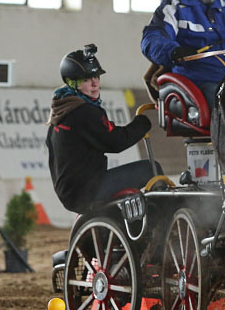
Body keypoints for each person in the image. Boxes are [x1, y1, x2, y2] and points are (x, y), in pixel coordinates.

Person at [46, 44, 161, 214]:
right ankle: (162, 220)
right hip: (87, 192)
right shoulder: (84, 112)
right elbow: (116, 141)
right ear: (72, 83)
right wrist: (142, 122)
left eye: (96, 77)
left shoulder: (60, 110)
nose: (94, 83)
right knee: (152, 169)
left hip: (71, 193)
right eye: (86, 79)